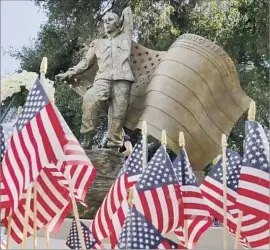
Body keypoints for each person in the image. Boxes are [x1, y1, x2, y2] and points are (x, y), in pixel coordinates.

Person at [55, 7, 134, 152]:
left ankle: (114, 147)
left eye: (110, 20)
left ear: (118, 23)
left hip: (123, 79)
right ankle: (88, 137)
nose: (106, 23)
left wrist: (122, 19)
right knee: (90, 99)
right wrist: (68, 73)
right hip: (102, 79)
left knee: (118, 114)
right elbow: (85, 63)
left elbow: (128, 12)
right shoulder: (98, 43)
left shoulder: (125, 36)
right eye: (104, 21)